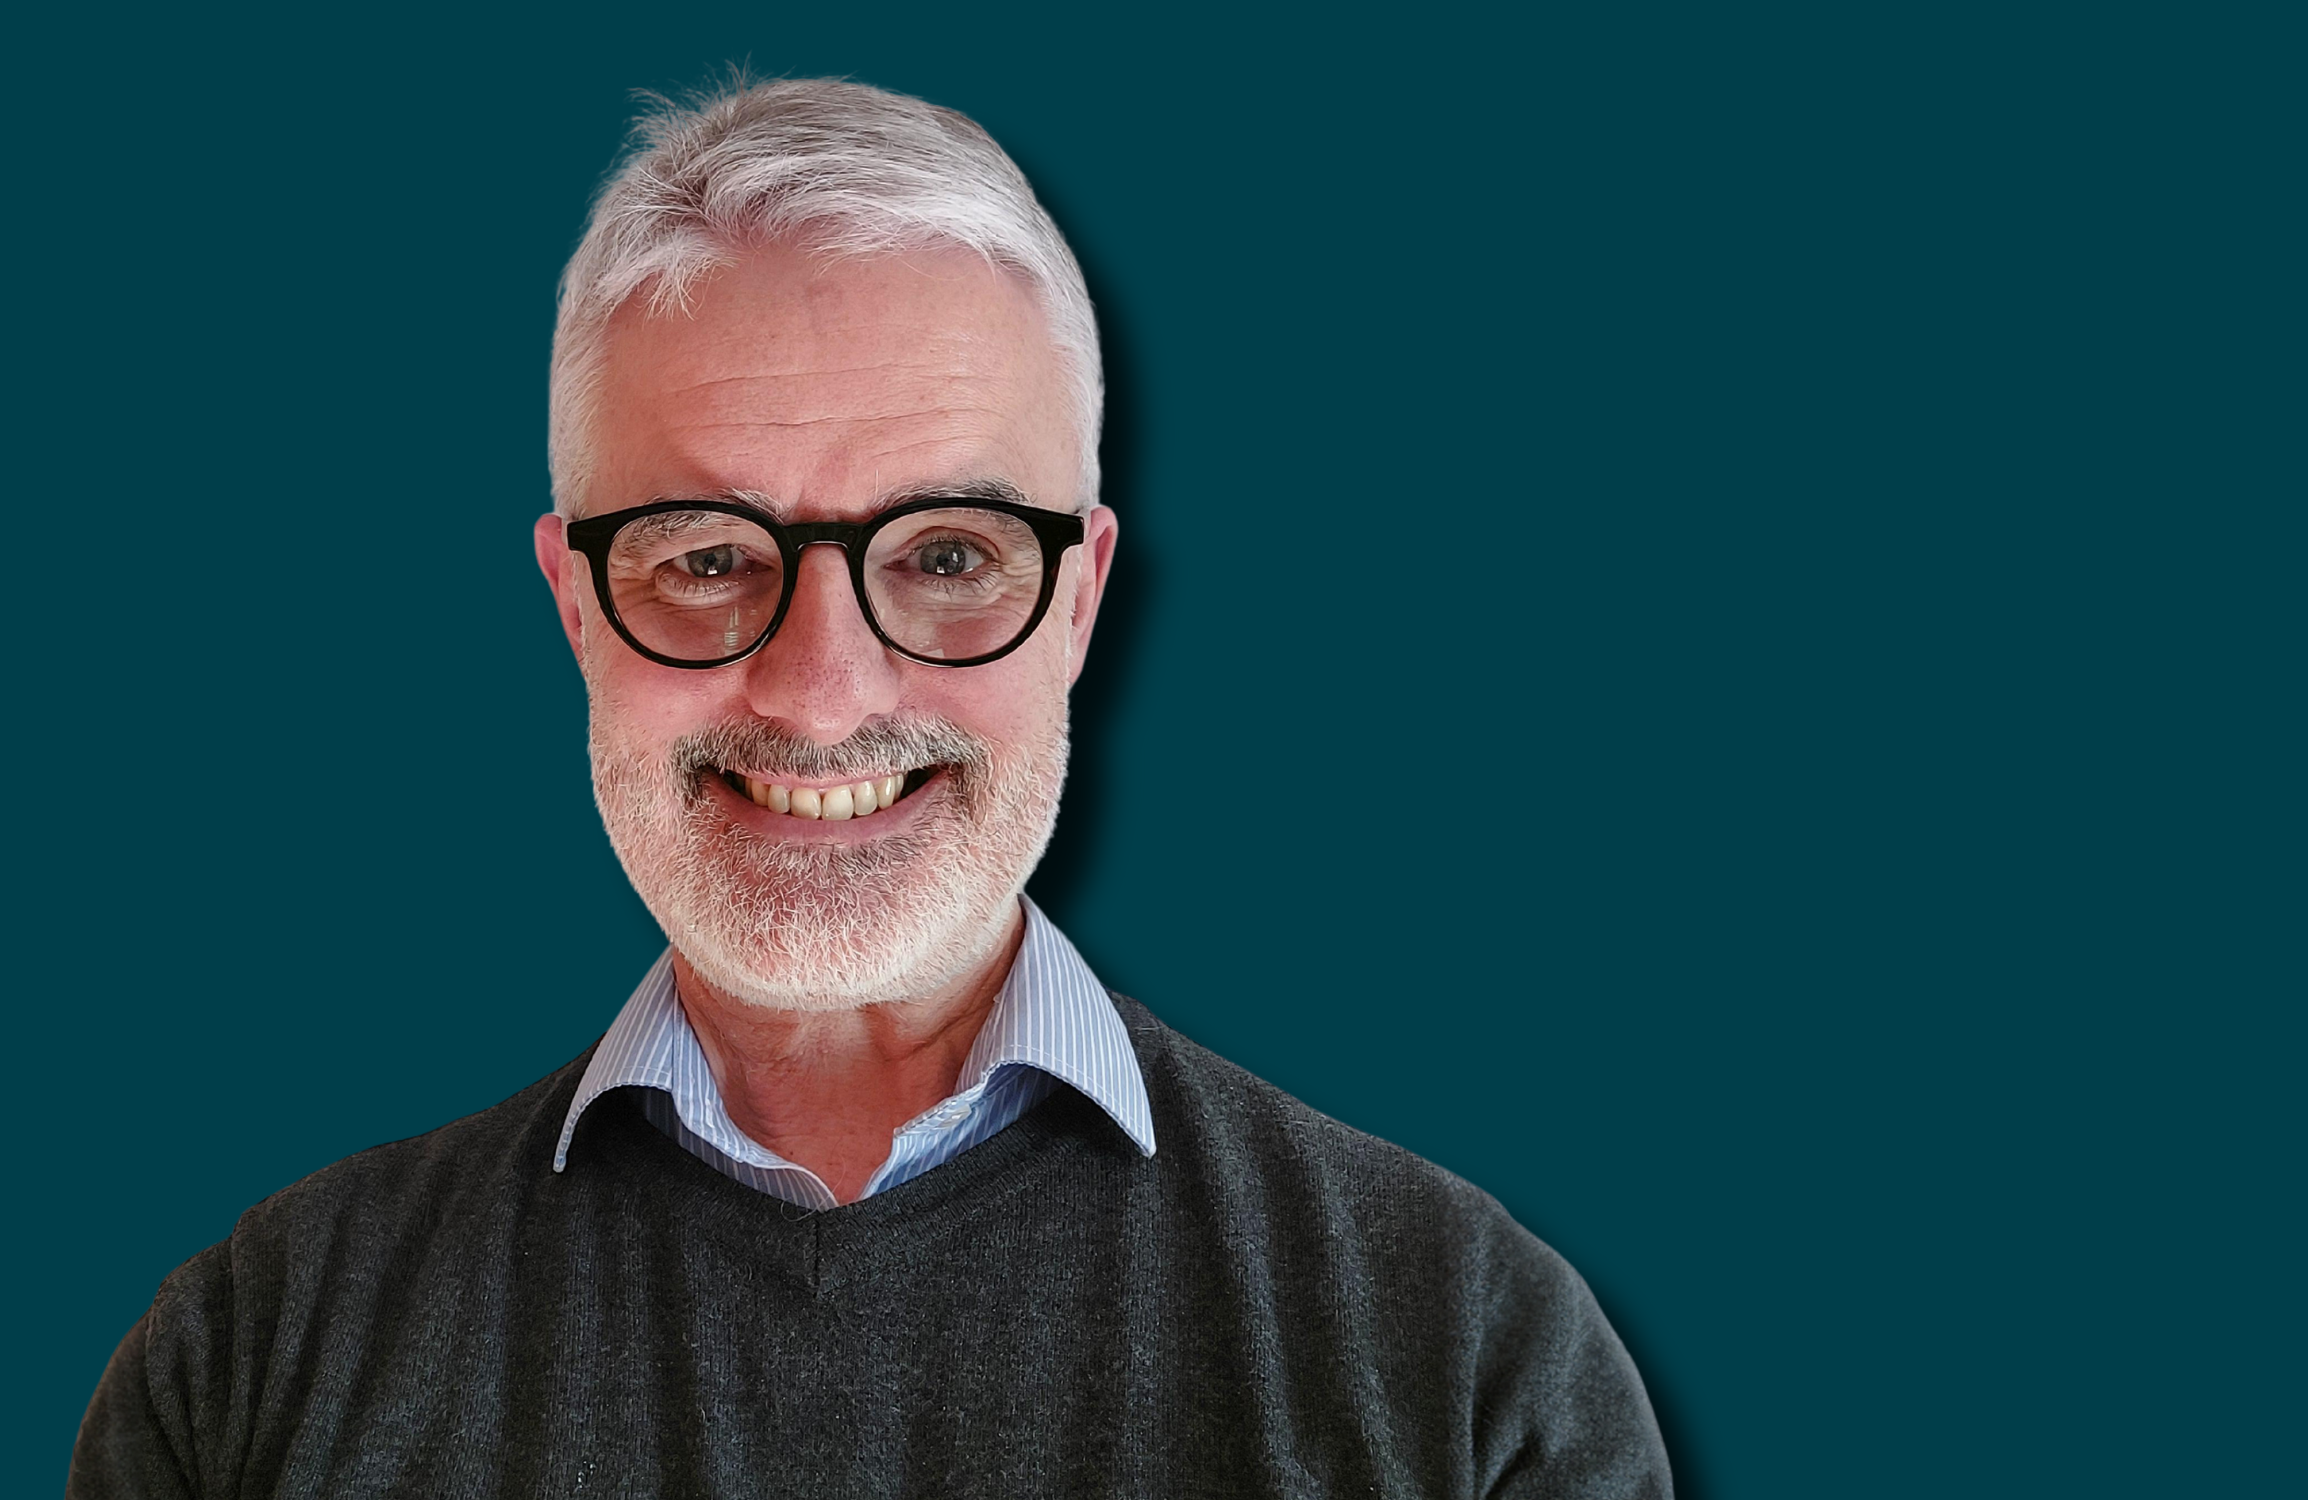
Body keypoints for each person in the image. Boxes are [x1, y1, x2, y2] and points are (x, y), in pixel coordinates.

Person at [69, 76, 1671, 1498]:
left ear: (1085, 599)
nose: (825, 689)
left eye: (953, 555)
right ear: (573, 605)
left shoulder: (1467, 1368)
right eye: (705, 558)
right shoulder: (254, 1367)